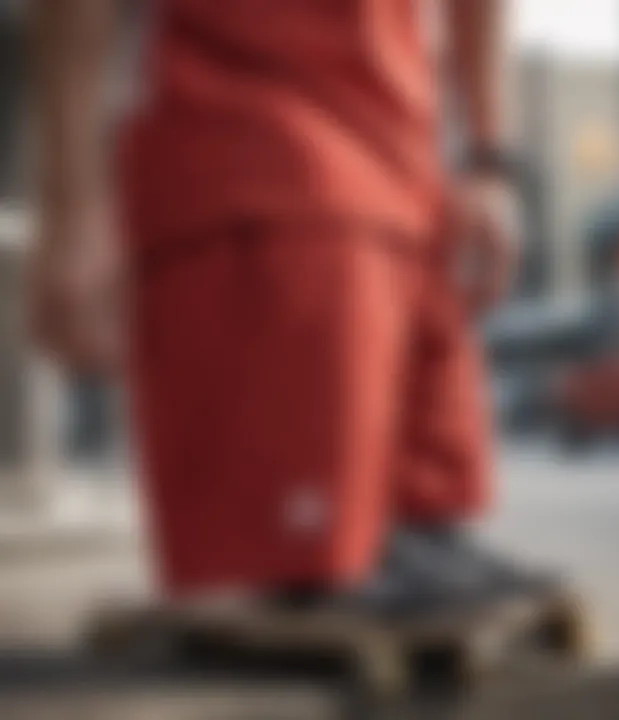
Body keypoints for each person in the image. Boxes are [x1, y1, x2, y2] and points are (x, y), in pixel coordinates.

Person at [31, 0, 522, 612]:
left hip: (409, 169)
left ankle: (394, 541)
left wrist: (489, 159)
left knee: (428, 524)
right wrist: (74, 206)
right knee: (307, 556)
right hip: (257, 158)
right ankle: (306, 563)